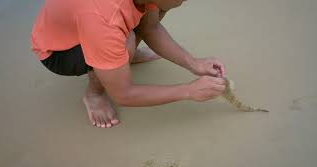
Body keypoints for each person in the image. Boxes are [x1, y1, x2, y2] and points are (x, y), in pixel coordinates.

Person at [31, 0, 226, 128]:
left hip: (87, 27)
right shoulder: (104, 19)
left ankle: (119, 58)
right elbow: (123, 94)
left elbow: (151, 27)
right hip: (58, 51)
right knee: (126, 40)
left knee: (154, 14)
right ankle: (94, 93)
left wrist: (193, 63)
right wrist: (189, 91)